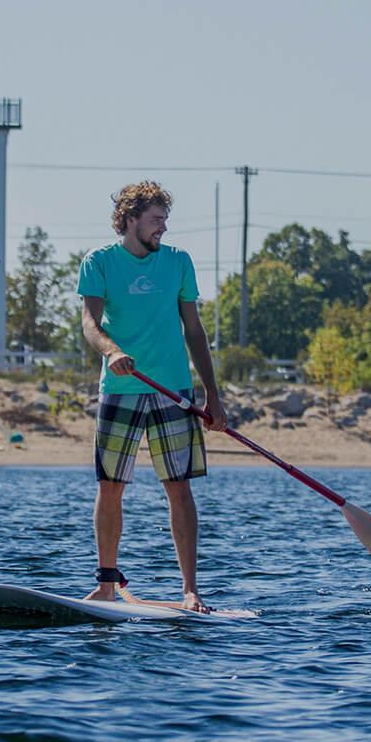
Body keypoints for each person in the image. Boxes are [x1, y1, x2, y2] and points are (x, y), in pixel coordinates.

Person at [78, 181, 226, 612]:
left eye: (165, 219)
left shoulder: (178, 262)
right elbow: (90, 323)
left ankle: (190, 590)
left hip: (173, 391)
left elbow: (194, 331)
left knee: (178, 488)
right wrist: (112, 351)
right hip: (121, 389)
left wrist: (212, 396)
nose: (163, 227)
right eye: (155, 219)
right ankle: (106, 584)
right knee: (110, 488)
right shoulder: (99, 262)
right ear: (129, 220)